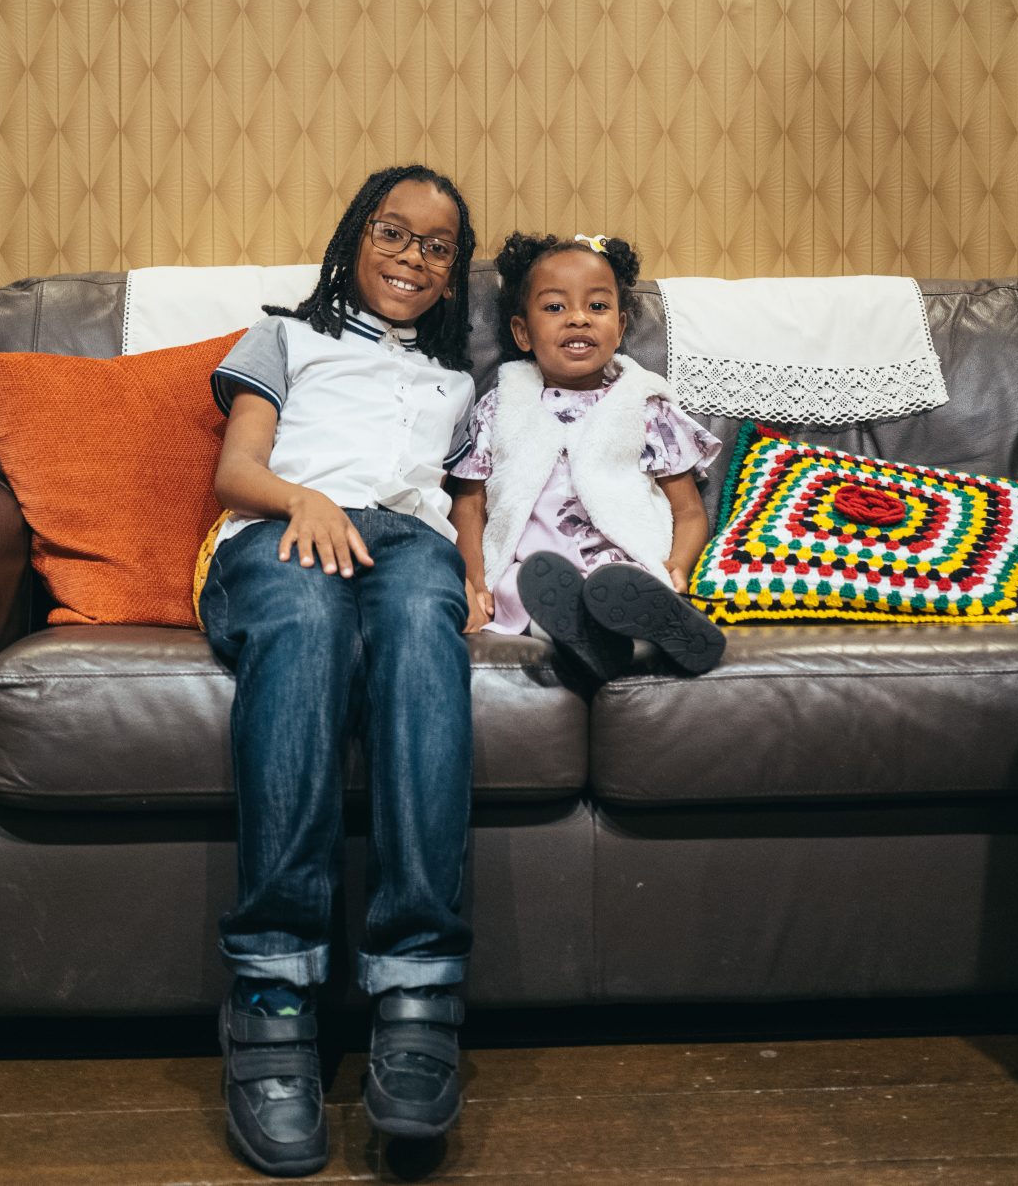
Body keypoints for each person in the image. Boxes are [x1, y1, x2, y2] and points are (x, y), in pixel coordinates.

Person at [202, 164, 484, 1176]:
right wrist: (300, 502)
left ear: (455, 274)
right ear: (352, 238)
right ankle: (271, 990)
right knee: (309, 624)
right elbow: (235, 469)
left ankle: (419, 986)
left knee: (421, 626)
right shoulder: (284, 334)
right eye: (390, 231)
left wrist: (478, 575)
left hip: (406, 544)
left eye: (435, 244)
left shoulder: (459, 383)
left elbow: (461, 505)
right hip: (277, 531)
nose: (410, 254)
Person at [448, 233, 725, 686]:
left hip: (620, 567)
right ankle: (598, 641)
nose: (578, 318)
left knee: (630, 584)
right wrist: (476, 583)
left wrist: (679, 566)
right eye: (555, 307)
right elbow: (469, 505)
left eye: (596, 307)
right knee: (522, 587)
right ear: (522, 332)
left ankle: (645, 629)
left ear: (619, 327)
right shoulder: (500, 408)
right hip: (538, 569)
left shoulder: (644, 406)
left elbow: (688, 510)